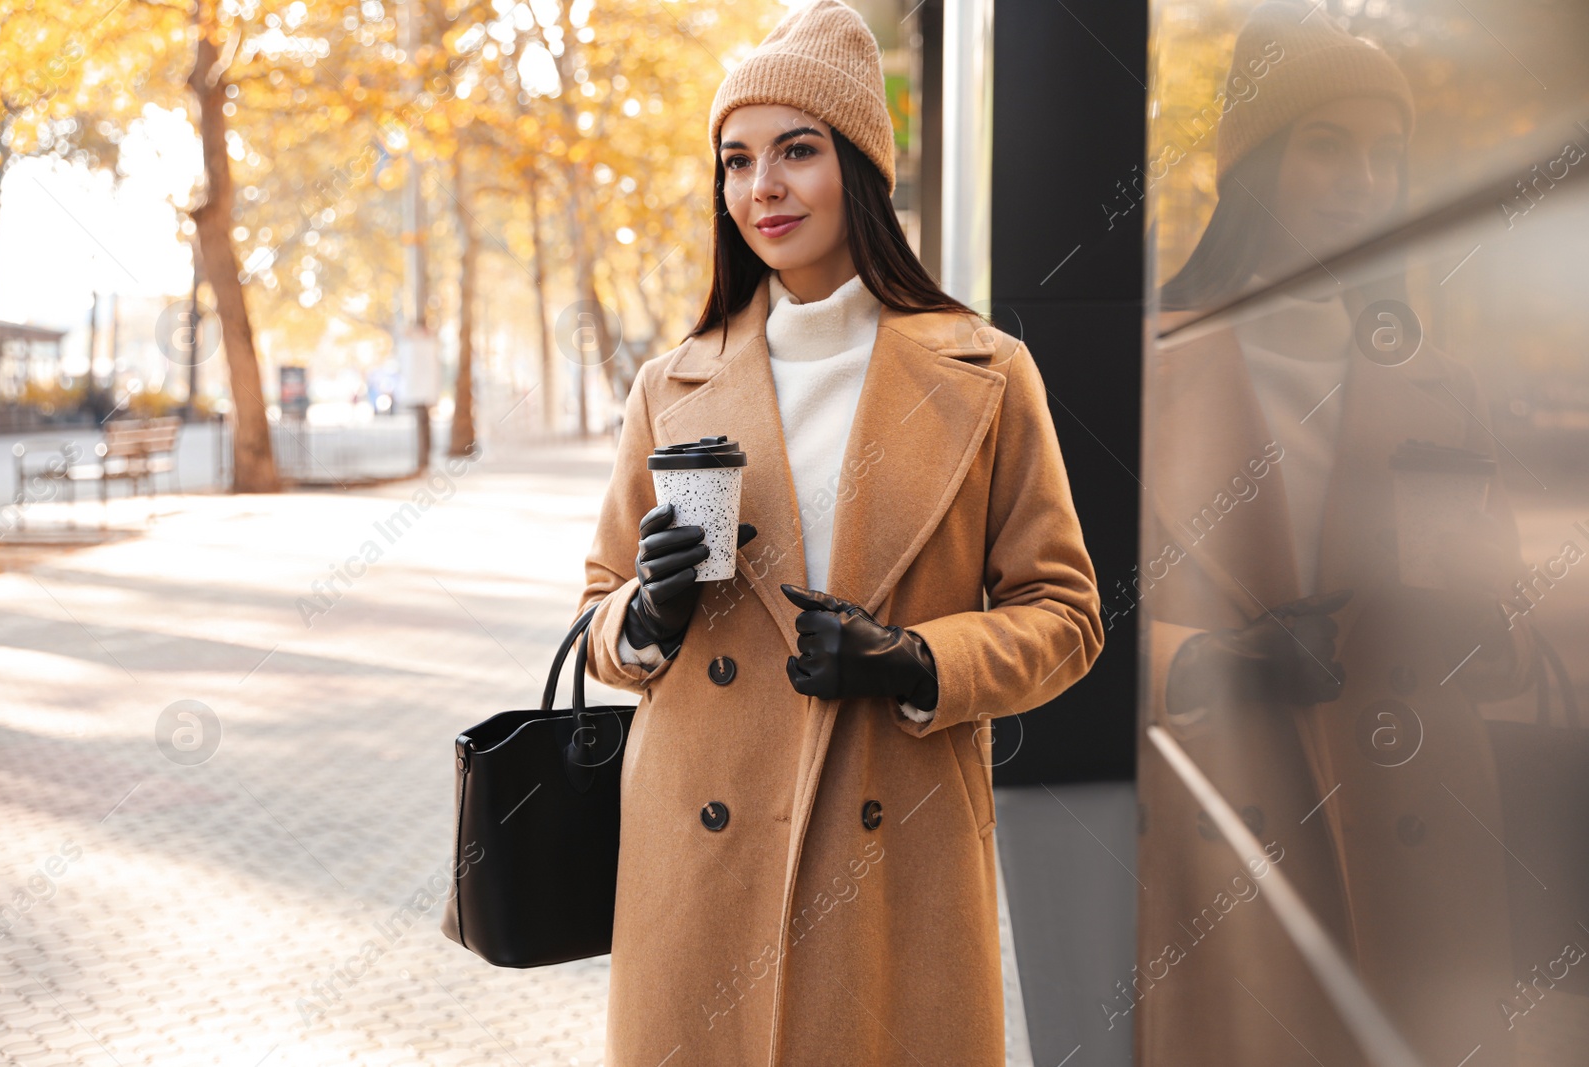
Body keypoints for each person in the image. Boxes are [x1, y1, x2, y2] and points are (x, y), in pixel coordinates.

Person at [574, 2, 1104, 1063]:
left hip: (891, 857)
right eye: (735, 160)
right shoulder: (670, 383)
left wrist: (915, 660)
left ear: (859, 166)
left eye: (796, 151)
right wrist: (650, 610)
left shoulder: (986, 374)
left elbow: (1067, 615)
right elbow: (596, 615)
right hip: (697, 867)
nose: (760, 186)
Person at [1137, 5, 1536, 1065]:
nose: (1364, 179)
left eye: (1387, 153)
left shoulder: (1440, 384)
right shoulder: (1138, 374)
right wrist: (1211, 660)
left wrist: (1478, 622)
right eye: (1327, 146)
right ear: (1254, 163)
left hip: (1425, 851)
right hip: (1231, 841)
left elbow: (1507, 644)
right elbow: (1055, 613)